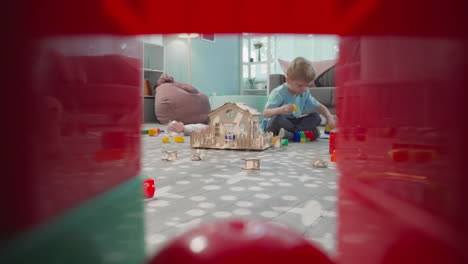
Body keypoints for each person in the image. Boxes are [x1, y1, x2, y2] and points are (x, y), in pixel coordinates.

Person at [263, 57, 335, 140]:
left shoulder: (304, 93)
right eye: (300, 85)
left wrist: (329, 117)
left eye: (307, 85)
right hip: (281, 123)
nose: (304, 89)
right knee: (275, 120)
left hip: (293, 123)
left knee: (316, 117)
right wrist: (280, 110)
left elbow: (319, 106)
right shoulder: (279, 93)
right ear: (288, 80)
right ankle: (298, 134)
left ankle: (291, 135)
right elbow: (265, 113)